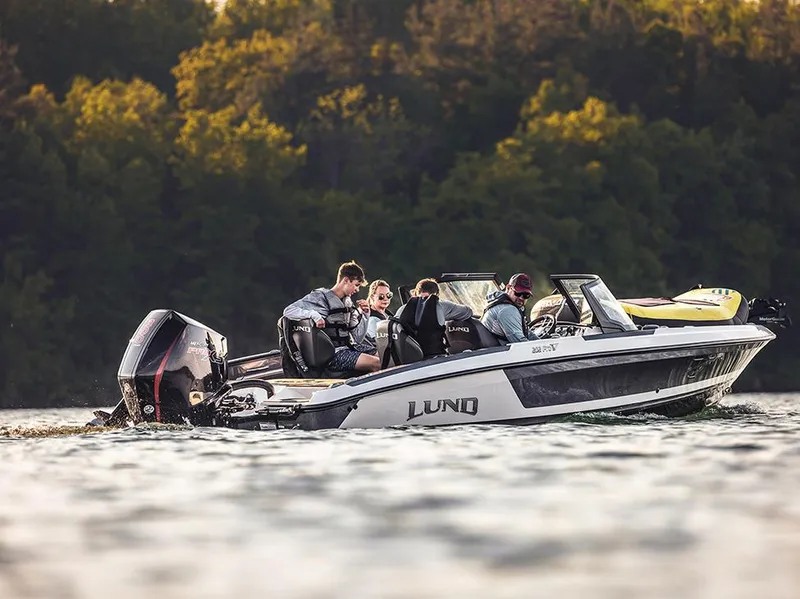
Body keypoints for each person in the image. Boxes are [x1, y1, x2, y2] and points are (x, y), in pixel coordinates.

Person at [283, 261, 381, 373]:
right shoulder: (320, 298)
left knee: (387, 357)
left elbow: (357, 338)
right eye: (356, 285)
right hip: (333, 354)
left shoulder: (348, 303)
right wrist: (314, 315)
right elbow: (288, 311)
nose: (357, 290)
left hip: (350, 348)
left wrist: (365, 314)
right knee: (377, 363)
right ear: (346, 280)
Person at [394, 278, 474, 357]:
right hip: (435, 357)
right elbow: (467, 312)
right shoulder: (441, 305)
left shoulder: (401, 310)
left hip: (409, 360)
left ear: (415, 293)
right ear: (437, 294)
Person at [481, 272, 539, 343]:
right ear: (508, 288)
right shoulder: (508, 310)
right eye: (518, 293)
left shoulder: (499, 303)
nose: (521, 298)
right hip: (499, 351)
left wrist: (542, 342)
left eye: (526, 295)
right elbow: (520, 343)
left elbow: (527, 333)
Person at [365, 279, 394, 345]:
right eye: (381, 296)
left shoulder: (387, 314)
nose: (386, 299)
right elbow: (380, 344)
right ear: (372, 297)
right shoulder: (372, 320)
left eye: (388, 295)